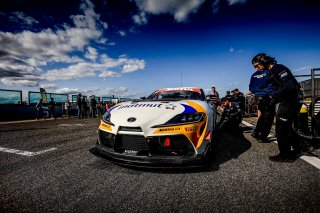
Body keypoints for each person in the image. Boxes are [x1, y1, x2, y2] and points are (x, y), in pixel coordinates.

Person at [252, 53, 302, 162]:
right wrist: (272, 100)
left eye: (257, 65)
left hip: (290, 102)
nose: (257, 68)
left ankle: (285, 156)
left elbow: (290, 85)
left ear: (264, 61)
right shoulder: (272, 72)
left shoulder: (278, 68)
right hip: (288, 101)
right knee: (286, 126)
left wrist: (274, 95)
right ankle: (299, 147)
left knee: (281, 128)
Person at [249, 67, 276, 143]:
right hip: (268, 96)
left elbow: (251, 88)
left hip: (259, 97)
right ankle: (263, 136)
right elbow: (276, 82)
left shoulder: (254, 75)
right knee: (269, 117)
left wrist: (258, 92)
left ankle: (256, 132)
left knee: (263, 116)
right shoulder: (268, 71)